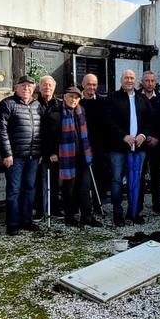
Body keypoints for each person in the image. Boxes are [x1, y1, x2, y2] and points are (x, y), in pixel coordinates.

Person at [0, 76, 44, 235]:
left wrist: (40, 152)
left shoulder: (37, 105)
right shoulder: (8, 104)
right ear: (16, 87)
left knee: (29, 189)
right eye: (23, 86)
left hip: (33, 156)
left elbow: (41, 130)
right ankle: (13, 224)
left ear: (33, 89)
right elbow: (1, 131)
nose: (26, 89)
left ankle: (26, 220)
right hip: (15, 157)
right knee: (14, 190)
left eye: (29, 86)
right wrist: (7, 154)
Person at [43, 87, 100, 227]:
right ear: (65, 96)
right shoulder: (56, 112)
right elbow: (48, 135)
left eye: (76, 97)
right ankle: (70, 216)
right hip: (66, 156)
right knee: (69, 189)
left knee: (85, 187)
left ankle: (87, 216)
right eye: (70, 96)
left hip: (82, 155)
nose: (73, 100)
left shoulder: (81, 111)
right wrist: (51, 152)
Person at [105, 70, 155, 225]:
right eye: (126, 77)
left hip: (139, 148)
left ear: (136, 81)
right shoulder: (113, 98)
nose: (129, 80)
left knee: (137, 180)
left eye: (132, 78)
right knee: (117, 180)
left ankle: (134, 211)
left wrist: (143, 135)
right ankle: (117, 210)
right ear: (121, 80)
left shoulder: (142, 99)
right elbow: (108, 121)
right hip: (118, 148)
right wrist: (123, 136)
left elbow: (150, 121)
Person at [34, 76, 61, 223]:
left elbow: (62, 130)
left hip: (54, 151)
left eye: (50, 85)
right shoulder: (33, 104)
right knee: (39, 182)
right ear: (39, 87)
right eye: (44, 85)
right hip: (38, 150)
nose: (47, 87)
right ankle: (39, 210)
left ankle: (54, 208)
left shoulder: (59, 105)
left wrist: (56, 151)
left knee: (54, 181)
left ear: (54, 87)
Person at [81, 73, 110, 210]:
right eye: (89, 84)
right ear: (83, 85)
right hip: (82, 145)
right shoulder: (77, 102)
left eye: (94, 85)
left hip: (99, 146)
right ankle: (83, 206)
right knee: (83, 179)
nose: (91, 87)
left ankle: (98, 204)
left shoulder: (103, 102)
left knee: (99, 176)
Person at [139, 71, 160, 214]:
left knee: (156, 175)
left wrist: (157, 137)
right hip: (139, 143)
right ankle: (139, 204)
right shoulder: (136, 97)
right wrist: (144, 136)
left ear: (156, 83)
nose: (150, 83)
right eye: (147, 80)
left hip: (157, 144)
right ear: (142, 82)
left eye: (152, 81)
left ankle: (156, 204)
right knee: (140, 175)